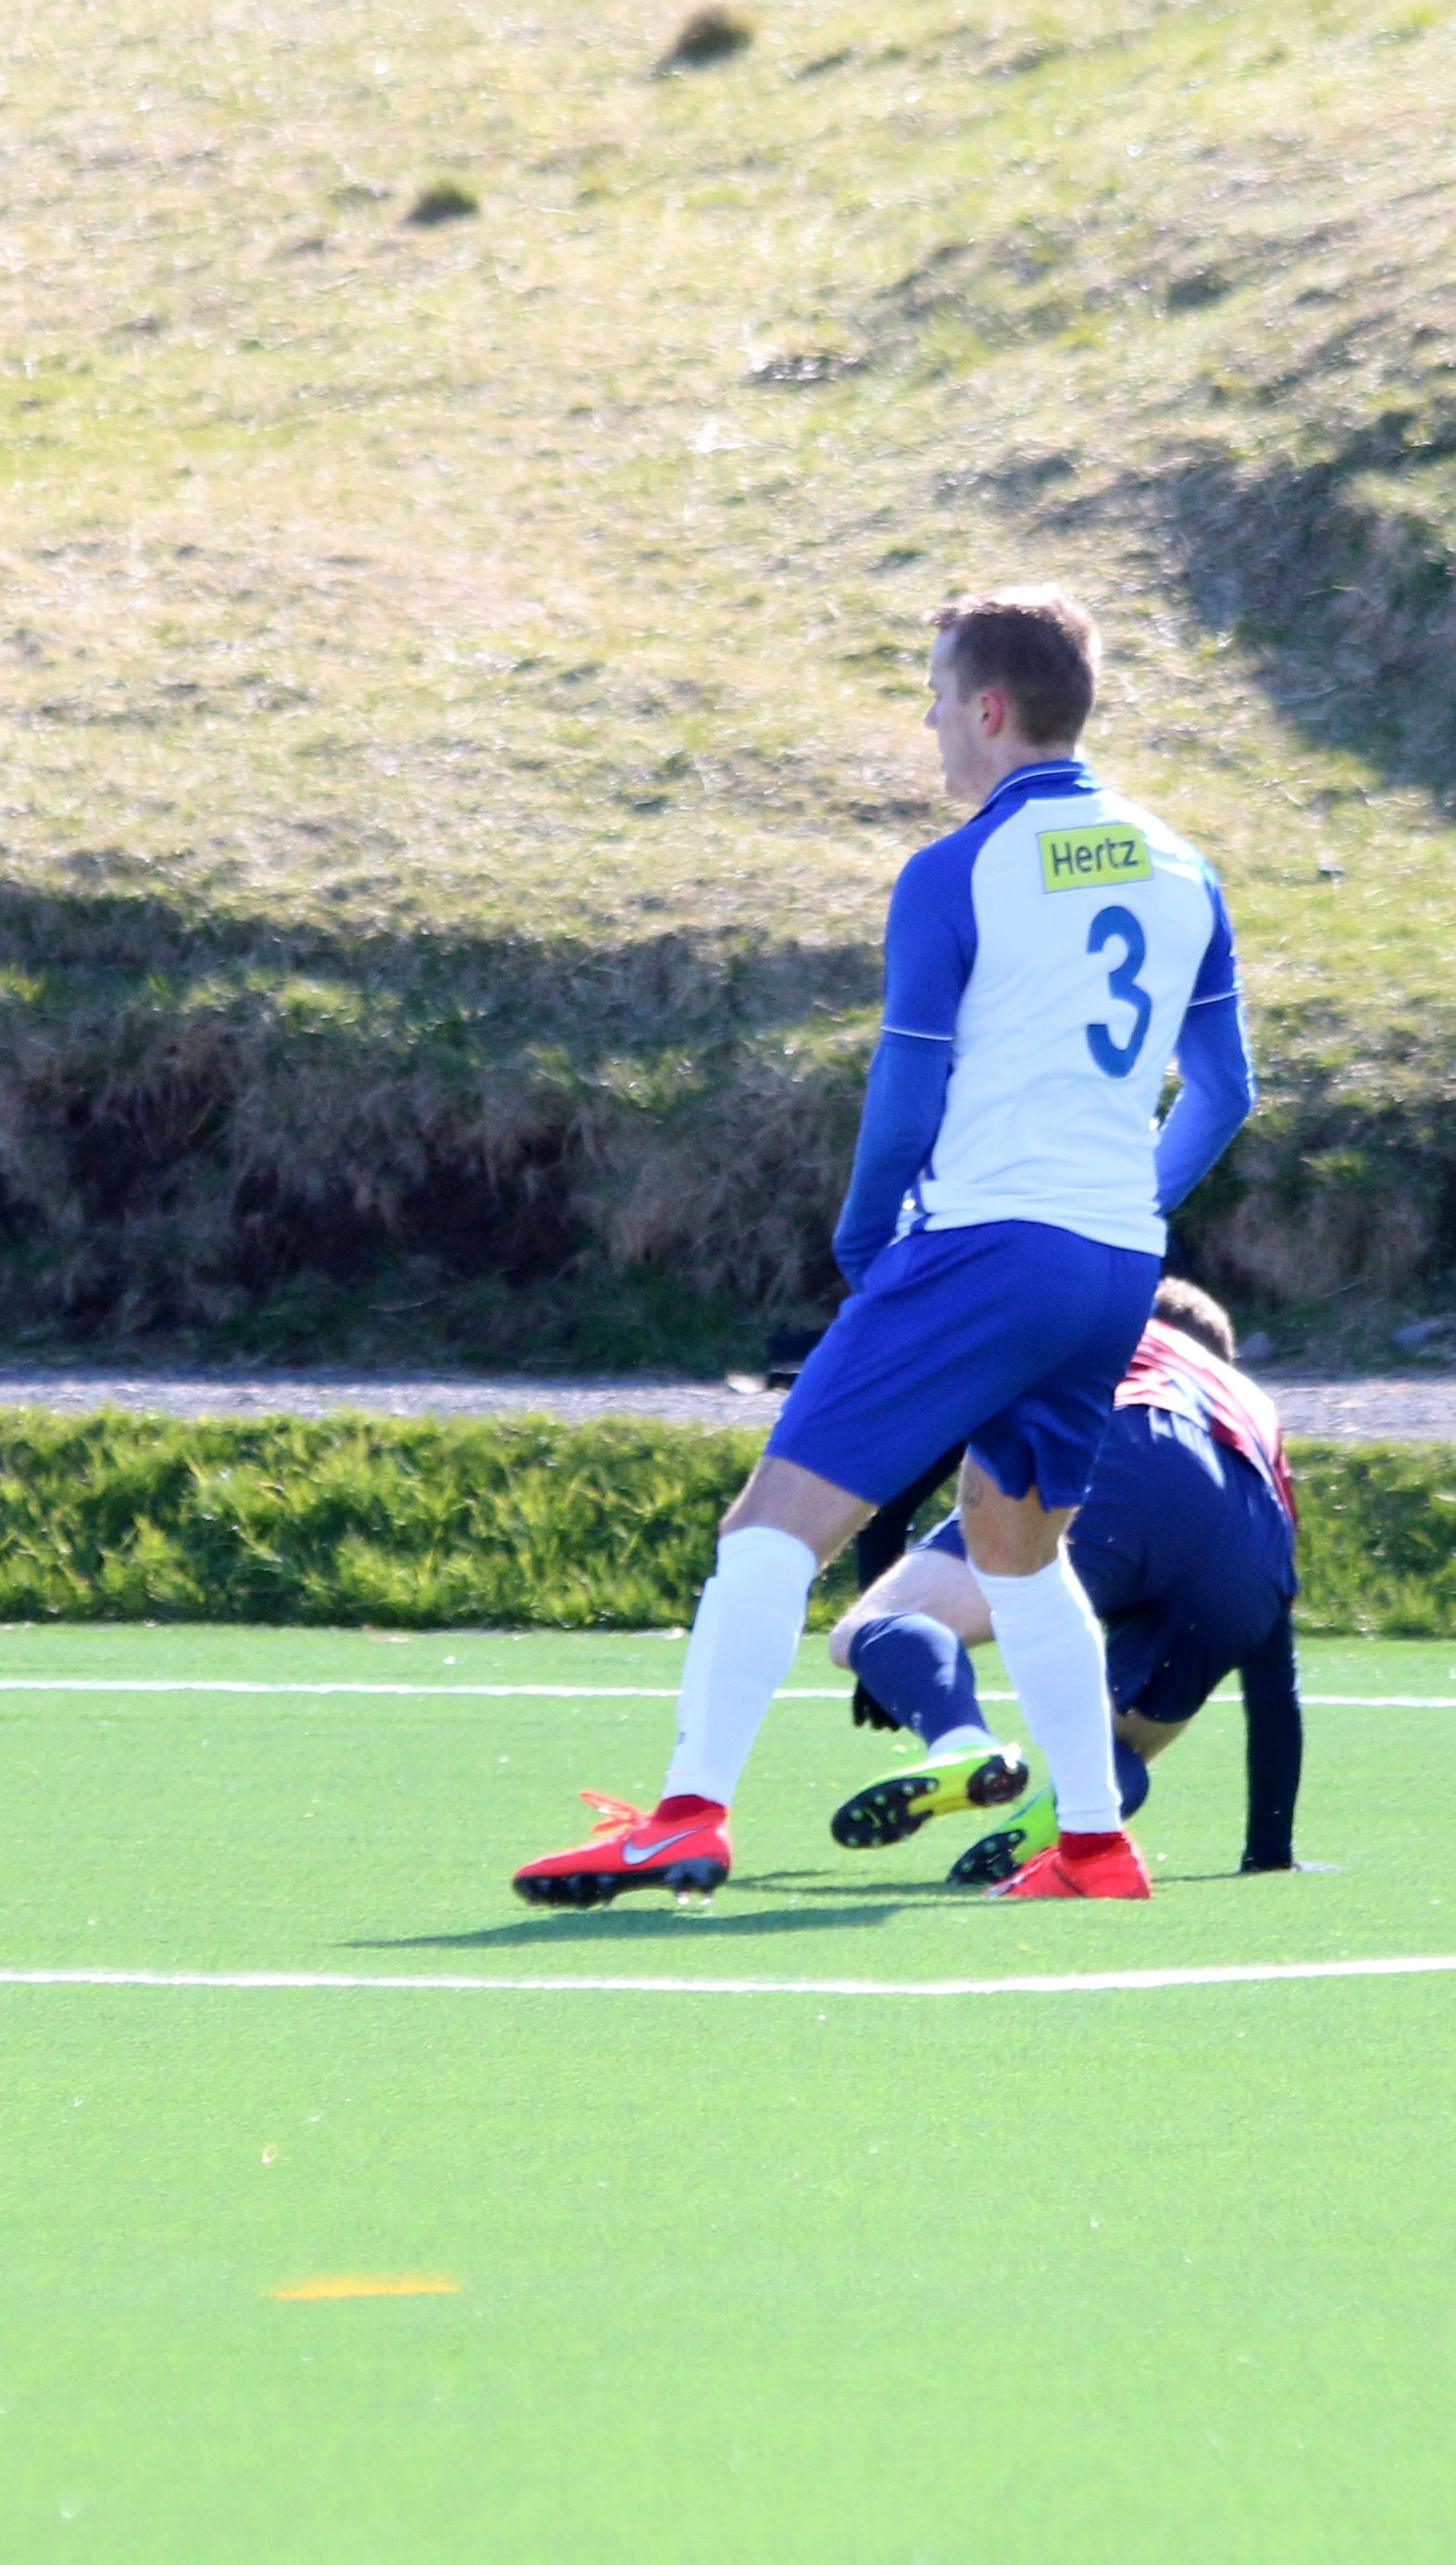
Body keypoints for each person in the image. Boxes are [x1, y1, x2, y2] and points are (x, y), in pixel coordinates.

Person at [513, 587, 1253, 1908]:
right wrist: (1121, 1202)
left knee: (769, 1527)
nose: (928, 725)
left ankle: (685, 1816)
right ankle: (1092, 1844)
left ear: (989, 707)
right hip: (1108, 1264)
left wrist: (865, 1237)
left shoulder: (954, 870)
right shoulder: (1182, 865)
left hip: (982, 1241)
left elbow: (905, 1087)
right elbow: (1224, 1091)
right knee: (1018, 1550)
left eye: (934, 697)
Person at [825, 1278, 1306, 1881]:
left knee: (871, 1626)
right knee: (1123, 1746)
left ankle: (962, 1743)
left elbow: (909, 1475)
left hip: (1131, 1446)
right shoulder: (1252, 1405)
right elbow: (1275, 1687)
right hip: (1255, 1536)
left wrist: (892, 1656)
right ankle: (1072, 1819)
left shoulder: (1104, 1325)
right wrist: (1269, 1851)